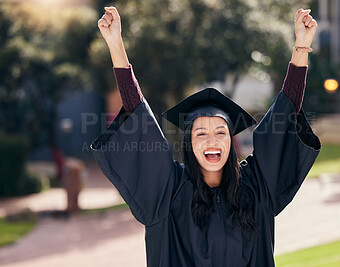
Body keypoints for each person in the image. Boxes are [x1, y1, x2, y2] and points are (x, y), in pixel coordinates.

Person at [92, 6, 321, 267]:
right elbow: (140, 119)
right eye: (200, 133)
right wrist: (115, 44)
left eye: (220, 132)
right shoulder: (169, 191)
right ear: (189, 144)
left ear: (231, 142)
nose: (212, 140)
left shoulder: (256, 188)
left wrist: (301, 46)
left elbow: (285, 113)